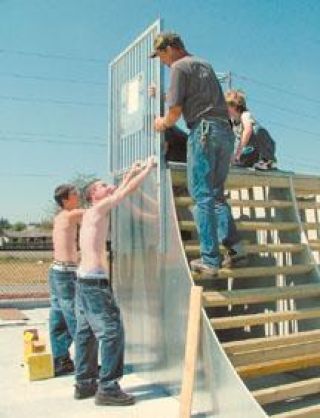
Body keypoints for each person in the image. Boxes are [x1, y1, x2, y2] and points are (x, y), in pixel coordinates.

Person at [151, 32, 246, 274]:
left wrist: (163, 123)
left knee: (201, 195)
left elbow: (175, 110)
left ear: (170, 48)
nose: (162, 61)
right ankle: (235, 246)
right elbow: (196, 97)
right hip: (224, 132)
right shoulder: (203, 63)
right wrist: (162, 95)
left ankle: (210, 260)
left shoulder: (178, 67)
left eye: (160, 55)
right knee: (215, 194)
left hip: (203, 131)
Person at [74, 157, 155, 406]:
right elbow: (125, 192)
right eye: (100, 185)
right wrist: (150, 167)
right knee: (112, 333)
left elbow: (119, 190)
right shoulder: (98, 209)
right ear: (93, 195)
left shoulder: (93, 212)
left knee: (86, 333)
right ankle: (108, 387)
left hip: (83, 281)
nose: (106, 185)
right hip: (94, 284)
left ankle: (85, 383)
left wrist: (132, 170)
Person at [49, 184, 84, 376]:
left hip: (56, 272)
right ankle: (85, 366)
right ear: (65, 200)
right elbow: (98, 210)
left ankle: (60, 360)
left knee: (59, 317)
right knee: (75, 318)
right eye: (74, 194)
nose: (78, 196)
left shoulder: (60, 217)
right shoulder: (69, 215)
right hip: (65, 274)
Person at [225, 90, 277, 170]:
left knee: (258, 130)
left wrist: (238, 153)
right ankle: (245, 162)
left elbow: (248, 131)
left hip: (261, 148)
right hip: (251, 151)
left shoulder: (245, 115)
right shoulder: (232, 122)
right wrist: (232, 158)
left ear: (235, 106)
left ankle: (268, 160)